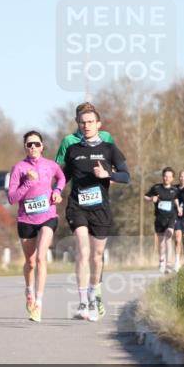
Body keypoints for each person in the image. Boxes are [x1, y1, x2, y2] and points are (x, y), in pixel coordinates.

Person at [61, 103, 130, 322]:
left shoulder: (109, 149)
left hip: (100, 208)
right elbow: (63, 177)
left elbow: (126, 176)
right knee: (83, 251)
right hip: (77, 206)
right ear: (78, 124)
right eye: (82, 122)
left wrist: (107, 174)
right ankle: (83, 302)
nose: (87, 125)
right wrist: (53, 191)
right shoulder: (73, 150)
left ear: (98, 124)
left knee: (97, 255)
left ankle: (95, 293)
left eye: (90, 122)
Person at [7, 131, 65, 322]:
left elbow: (62, 178)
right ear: (25, 147)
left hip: (48, 216)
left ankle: (38, 304)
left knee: (41, 258)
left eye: (36, 144)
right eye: (29, 144)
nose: (33, 147)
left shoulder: (51, 165)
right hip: (26, 220)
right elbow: (11, 198)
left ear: (42, 146)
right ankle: (29, 290)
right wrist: (28, 183)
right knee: (30, 262)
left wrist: (57, 191)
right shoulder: (18, 168)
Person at [54, 102, 115, 166]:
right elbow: (58, 168)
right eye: (83, 119)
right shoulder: (68, 141)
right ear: (77, 120)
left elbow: (116, 163)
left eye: (90, 120)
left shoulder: (106, 137)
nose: (86, 124)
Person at [144, 167, 180, 273]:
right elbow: (145, 197)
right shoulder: (156, 188)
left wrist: (178, 207)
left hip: (171, 217)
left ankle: (168, 264)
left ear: (172, 178)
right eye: (165, 176)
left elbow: (177, 198)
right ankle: (161, 261)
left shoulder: (175, 190)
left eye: (169, 176)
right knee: (161, 242)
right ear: (162, 177)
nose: (167, 178)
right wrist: (151, 199)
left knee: (168, 237)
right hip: (159, 218)